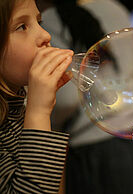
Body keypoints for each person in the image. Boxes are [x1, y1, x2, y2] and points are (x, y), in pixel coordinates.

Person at [39, 0, 133, 193]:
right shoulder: (114, 7)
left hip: (95, 146)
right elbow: (130, 67)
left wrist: (48, 121)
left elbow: (66, 100)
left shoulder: (48, 22)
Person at [0, 0, 73, 193]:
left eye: (38, 21)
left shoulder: (14, 106)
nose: (46, 35)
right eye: (22, 26)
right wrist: (39, 112)